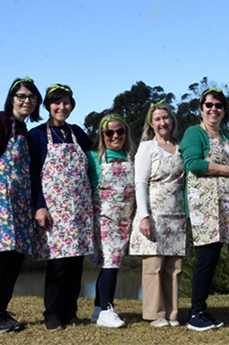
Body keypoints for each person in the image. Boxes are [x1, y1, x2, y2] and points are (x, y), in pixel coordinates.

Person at [0, 76, 42, 332]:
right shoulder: (0, 122)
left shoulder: (25, 129)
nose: (27, 101)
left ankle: (1, 311)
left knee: (14, 257)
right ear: (11, 99)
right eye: (21, 96)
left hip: (21, 204)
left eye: (32, 97)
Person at [179, 88, 229, 331]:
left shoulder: (227, 137)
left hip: (225, 208)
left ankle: (202, 309)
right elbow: (194, 164)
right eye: (208, 105)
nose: (213, 109)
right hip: (205, 208)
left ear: (224, 110)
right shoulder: (194, 133)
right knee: (205, 260)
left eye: (218, 105)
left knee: (213, 259)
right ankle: (196, 312)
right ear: (201, 109)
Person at [28, 83, 94, 331]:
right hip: (54, 210)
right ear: (48, 106)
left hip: (80, 209)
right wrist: (39, 206)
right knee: (58, 264)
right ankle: (53, 314)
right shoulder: (36, 135)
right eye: (57, 103)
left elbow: (95, 160)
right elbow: (34, 174)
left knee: (76, 263)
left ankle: (70, 312)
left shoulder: (77, 132)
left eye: (66, 103)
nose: (62, 107)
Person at [130, 101, 188, 328]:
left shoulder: (180, 147)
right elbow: (140, 183)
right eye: (157, 119)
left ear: (171, 120)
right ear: (150, 124)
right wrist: (143, 215)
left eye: (166, 118)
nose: (162, 122)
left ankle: (172, 313)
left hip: (177, 214)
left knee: (173, 268)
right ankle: (156, 314)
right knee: (154, 266)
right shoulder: (147, 148)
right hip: (154, 214)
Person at [86, 114, 135, 328]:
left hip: (126, 218)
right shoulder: (94, 158)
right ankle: (107, 309)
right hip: (104, 217)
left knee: (111, 263)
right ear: (102, 134)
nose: (115, 136)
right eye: (109, 132)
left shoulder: (132, 156)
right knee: (110, 263)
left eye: (120, 131)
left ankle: (98, 310)